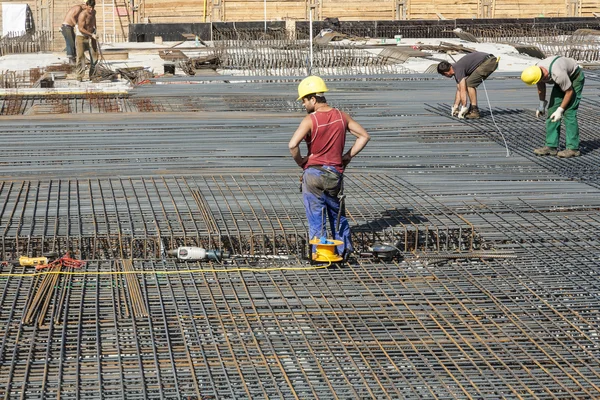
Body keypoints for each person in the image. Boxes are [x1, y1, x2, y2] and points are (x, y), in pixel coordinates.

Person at [288, 76, 370, 261]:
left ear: (313, 99)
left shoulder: (310, 120)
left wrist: (302, 162)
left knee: (316, 218)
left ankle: (319, 255)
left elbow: (292, 145)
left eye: (304, 100)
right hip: (334, 174)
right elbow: (364, 136)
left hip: (313, 175)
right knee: (337, 215)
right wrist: (346, 157)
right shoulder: (342, 116)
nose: (303, 104)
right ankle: (344, 252)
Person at [521, 56, 585, 158]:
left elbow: (569, 92)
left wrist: (560, 110)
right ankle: (551, 146)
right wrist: (542, 104)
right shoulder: (536, 70)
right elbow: (540, 85)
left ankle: (573, 148)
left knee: (569, 112)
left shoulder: (557, 74)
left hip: (575, 78)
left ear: (544, 75)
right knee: (552, 111)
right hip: (562, 80)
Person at [437, 52, 499, 119]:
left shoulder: (458, 69)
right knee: (468, 83)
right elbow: (459, 89)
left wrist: (464, 107)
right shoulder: (456, 68)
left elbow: (463, 90)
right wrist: (456, 106)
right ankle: (472, 108)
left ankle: (474, 111)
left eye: (443, 75)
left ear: (446, 73)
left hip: (489, 62)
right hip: (488, 61)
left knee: (469, 83)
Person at [75, 0, 98, 81]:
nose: (91, 9)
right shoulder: (82, 15)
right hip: (81, 36)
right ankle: (79, 76)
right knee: (80, 56)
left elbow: (93, 21)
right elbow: (81, 28)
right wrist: (91, 34)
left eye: (93, 7)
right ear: (87, 6)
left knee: (94, 54)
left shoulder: (94, 12)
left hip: (91, 35)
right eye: (90, 7)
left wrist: (95, 31)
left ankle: (93, 75)